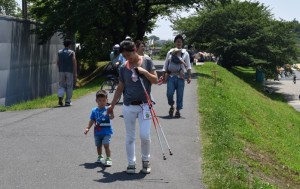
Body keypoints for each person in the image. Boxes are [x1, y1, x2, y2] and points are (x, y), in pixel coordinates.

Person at [107, 40, 158, 174]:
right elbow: (120, 88)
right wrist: (112, 105)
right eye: (124, 56)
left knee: (145, 135)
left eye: (128, 55)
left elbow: (155, 80)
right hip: (129, 105)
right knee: (130, 137)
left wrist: (144, 72)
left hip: (145, 105)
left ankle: (146, 161)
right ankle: (131, 163)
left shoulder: (147, 61)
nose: (127, 58)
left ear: (134, 50)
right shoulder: (123, 67)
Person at [162, 34, 192, 118]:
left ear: (182, 43)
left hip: (180, 77)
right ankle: (171, 105)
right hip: (171, 76)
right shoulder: (170, 52)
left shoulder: (185, 53)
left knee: (180, 94)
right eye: (177, 41)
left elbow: (188, 66)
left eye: (180, 41)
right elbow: (165, 65)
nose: (179, 43)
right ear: (175, 42)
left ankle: (178, 110)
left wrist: (189, 76)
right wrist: (164, 76)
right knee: (169, 93)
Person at [84, 90, 114, 167]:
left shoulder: (108, 109)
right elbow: (92, 120)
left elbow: (112, 117)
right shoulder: (94, 110)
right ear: (96, 101)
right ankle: (100, 156)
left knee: (106, 144)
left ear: (107, 100)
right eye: (100, 101)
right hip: (97, 132)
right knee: (98, 145)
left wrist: (111, 112)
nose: (102, 102)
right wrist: (87, 128)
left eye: (104, 100)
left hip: (107, 131)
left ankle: (108, 158)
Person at [57, 39, 77, 106]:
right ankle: (68, 101)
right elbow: (74, 62)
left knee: (61, 85)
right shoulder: (71, 52)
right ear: (70, 45)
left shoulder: (59, 52)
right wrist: (75, 72)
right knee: (69, 86)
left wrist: (59, 69)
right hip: (69, 71)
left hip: (61, 71)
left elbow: (58, 62)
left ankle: (60, 97)